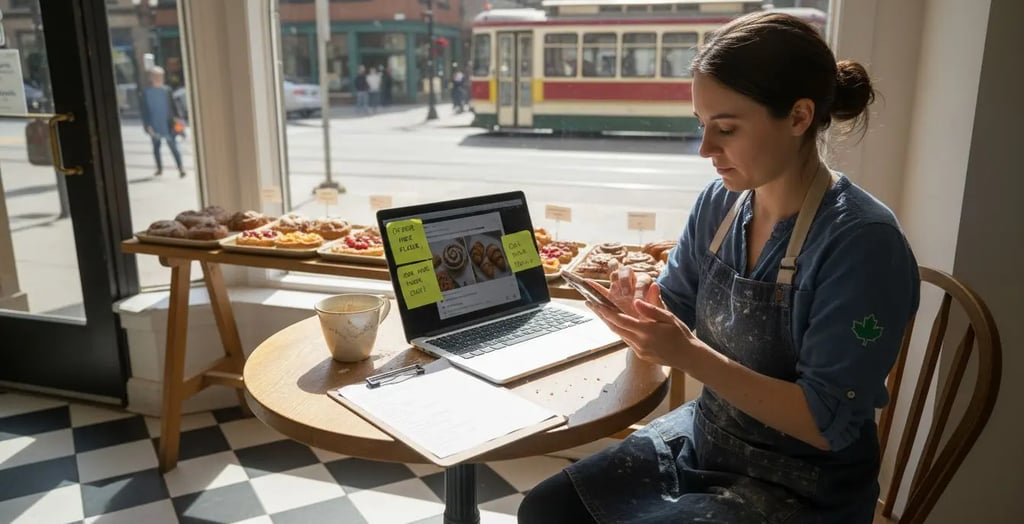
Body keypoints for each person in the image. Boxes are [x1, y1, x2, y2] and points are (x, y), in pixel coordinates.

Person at [518, 11, 920, 524]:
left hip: (805, 485)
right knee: (546, 507)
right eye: (702, 125)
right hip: (709, 440)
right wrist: (642, 310)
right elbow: (678, 307)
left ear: (799, 117)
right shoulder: (722, 204)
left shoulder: (862, 244)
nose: (706, 149)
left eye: (726, 128)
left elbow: (826, 422)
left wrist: (685, 353)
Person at [140, 66, 185, 178]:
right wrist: (147, 126)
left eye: (161, 76)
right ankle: (159, 168)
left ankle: (181, 169)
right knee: (156, 148)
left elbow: (174, 108)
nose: (159, 78)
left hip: (168, 126)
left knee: (174, 147)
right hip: (154, 126)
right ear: (151, 77)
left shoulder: (167, 90)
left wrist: (179, 123)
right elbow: (144, 111)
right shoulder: (146, 93)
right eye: (156, 76)